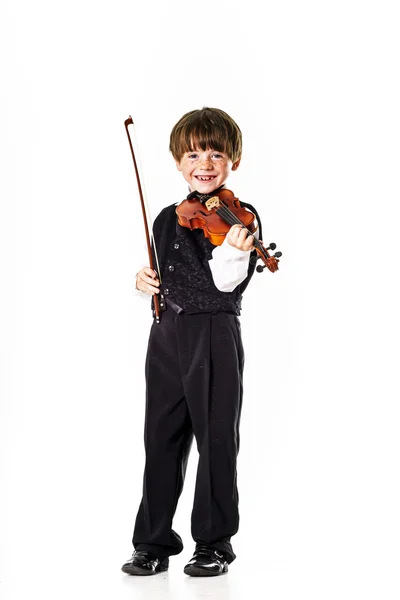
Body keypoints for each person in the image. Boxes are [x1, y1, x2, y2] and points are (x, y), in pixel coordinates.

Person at [121, 107, 264, 577]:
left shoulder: (239, 221)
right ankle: (153, 541)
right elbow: (165, 276)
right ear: (179, 163)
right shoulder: (166, 218)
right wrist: (144, 281)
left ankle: (214, 542)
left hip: (213, 334)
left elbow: (225, 285)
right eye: (194, 153)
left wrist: (233, 253)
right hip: (165, 336)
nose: (205, 162)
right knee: (159, 440)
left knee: (216, 440)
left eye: (216, 153)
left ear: (232, 162)